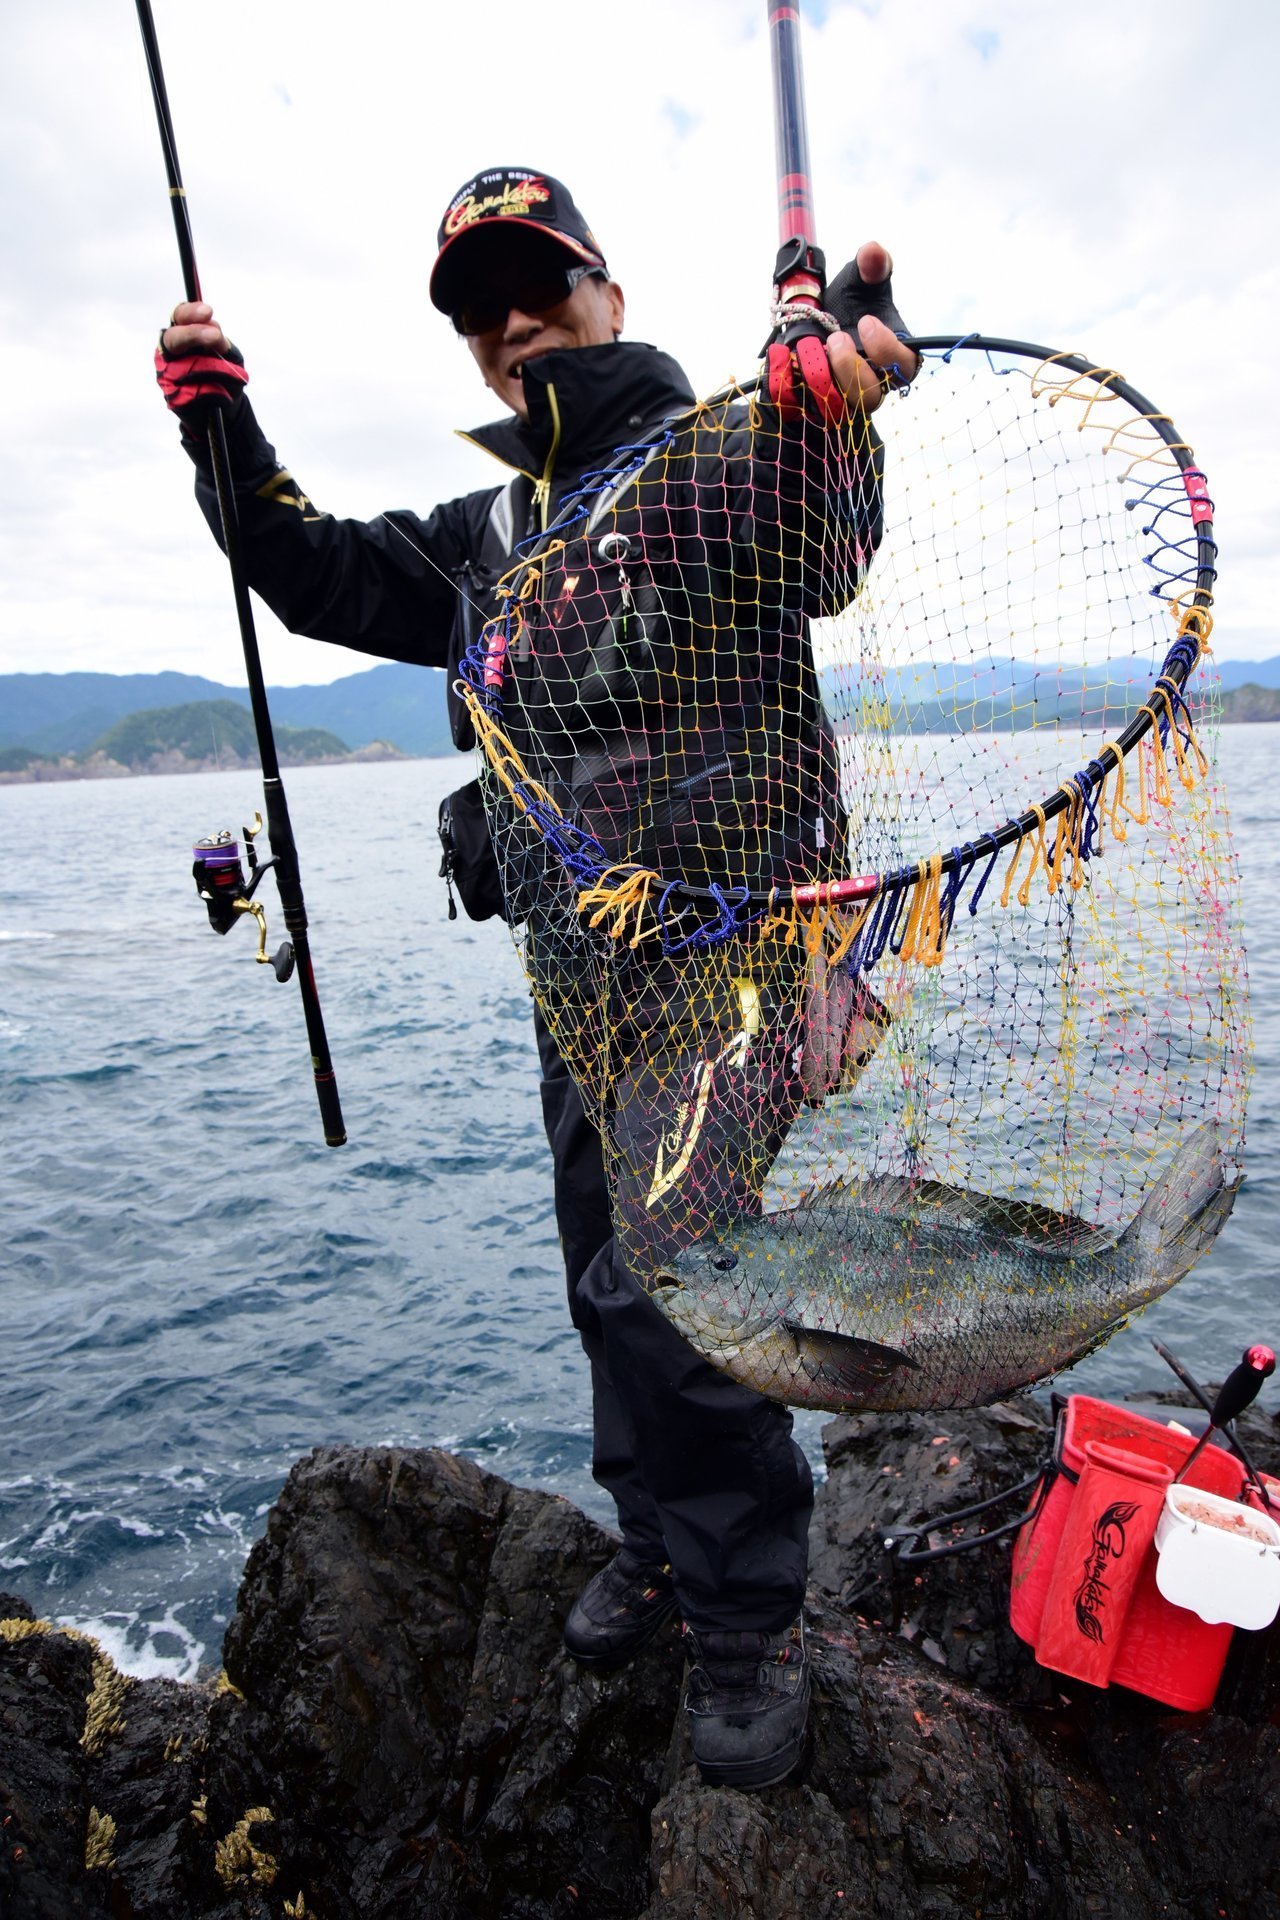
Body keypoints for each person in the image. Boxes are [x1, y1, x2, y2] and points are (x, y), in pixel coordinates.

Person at [157, 166, 917, 1791]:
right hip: (581, 979)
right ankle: (654, 1534)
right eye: (476, 307)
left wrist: (835, 391)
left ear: (610, 298)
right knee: (605, 1269)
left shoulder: (715, 449)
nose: (509, 323)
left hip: (741, 964)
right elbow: (312, 570)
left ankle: (746, 1611)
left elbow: (825, 531)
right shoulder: (487, 533)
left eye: (538, 287)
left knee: (675, 1281)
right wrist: (221, 434)